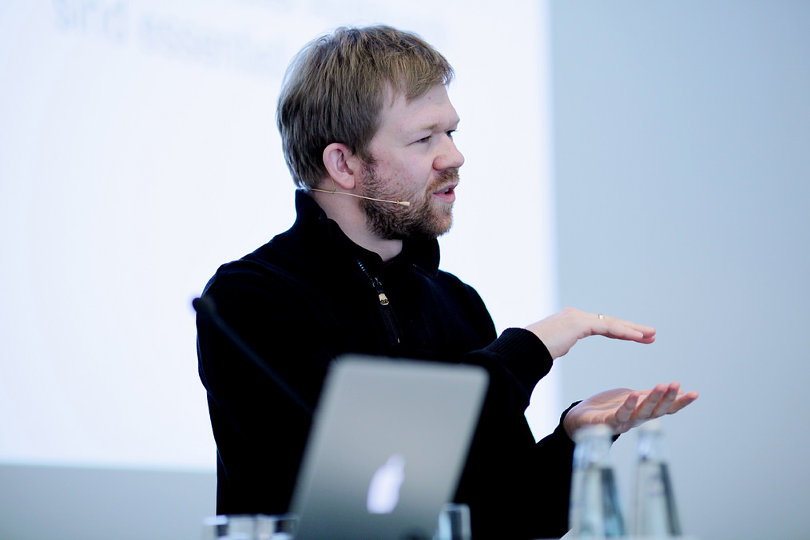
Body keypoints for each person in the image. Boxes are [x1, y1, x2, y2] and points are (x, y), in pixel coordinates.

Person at [195, 25, 698, 539]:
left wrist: (576, 440)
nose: (454, 157)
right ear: (343, 163)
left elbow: (517, 515)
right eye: (424, 138)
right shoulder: (250, 299)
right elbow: (363, 480)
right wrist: (528, 350)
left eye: (451, 133)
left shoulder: (455, 301)